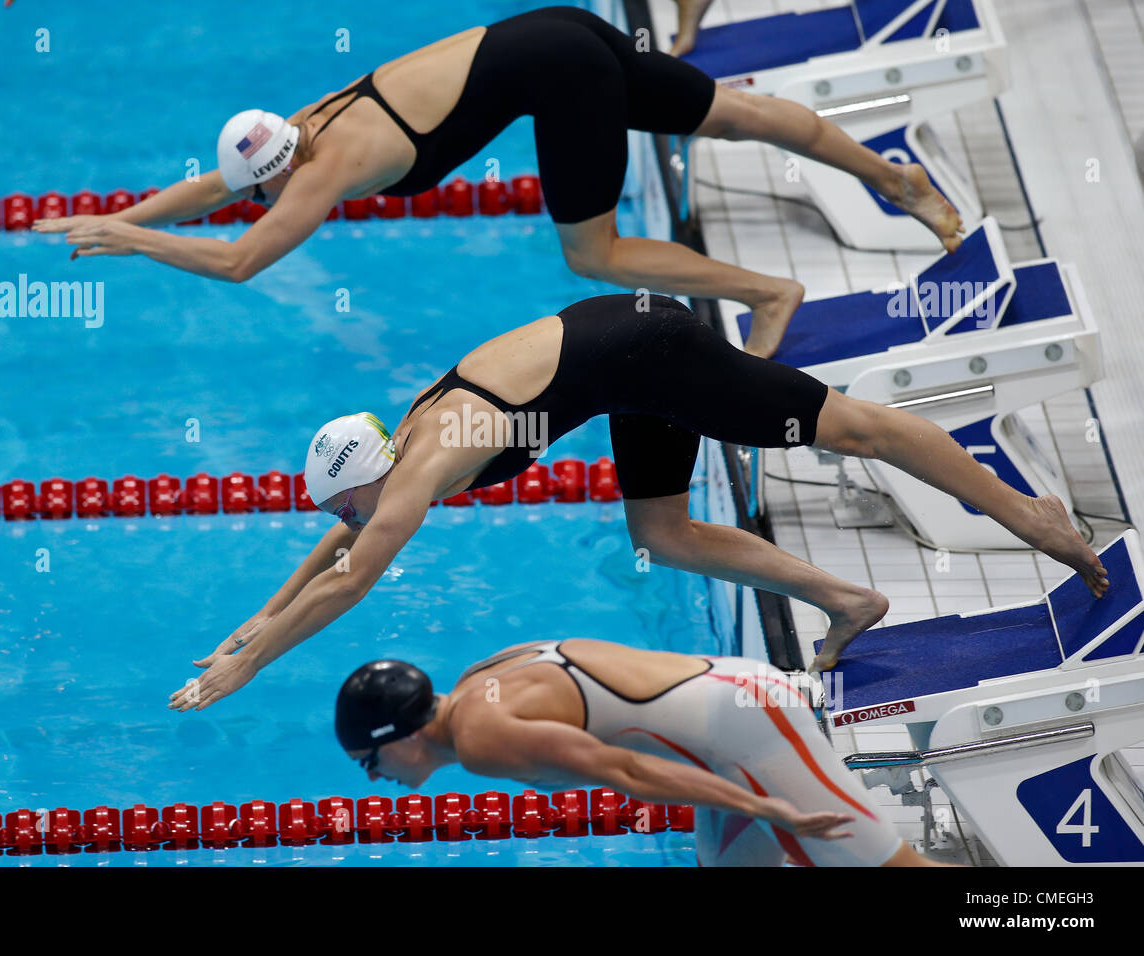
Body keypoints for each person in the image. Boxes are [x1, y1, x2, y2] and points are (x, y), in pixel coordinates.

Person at [166, 293, 1108, 711]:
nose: (344, 522)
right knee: (661, 532)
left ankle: (1027, 517)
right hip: (621, 357)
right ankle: (848, 600)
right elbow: (338, 554)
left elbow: (351, 581)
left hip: (656, 351)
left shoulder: (418, 471)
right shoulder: (396, 448)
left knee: (857, 427)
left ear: (366, 480)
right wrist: (256, 619)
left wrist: (247, 670)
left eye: (344, 506)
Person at [34, 6, 961, 358]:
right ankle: (900, 181)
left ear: (285, 174)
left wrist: (134, 242)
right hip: (559, 29)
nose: (264, 200)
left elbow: (240, 262)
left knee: (591, 253)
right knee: (731, 111)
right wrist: (114, 214)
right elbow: (214, 188)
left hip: (569, 77)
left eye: (266, 193)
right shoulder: (306, 124)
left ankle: (767, 293)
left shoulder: (320, 176)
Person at [332, 642, 948, 866]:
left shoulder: (481, 739)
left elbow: (627, 771)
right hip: (731, 711)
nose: (377, 780)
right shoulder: (477, 682)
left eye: (370, 762)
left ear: (402, 738)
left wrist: (773, 809)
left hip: (751, 727)